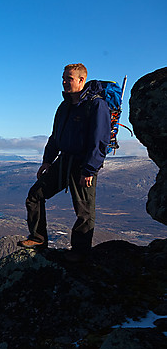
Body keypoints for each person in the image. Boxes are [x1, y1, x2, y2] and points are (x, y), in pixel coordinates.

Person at [18, 63, 112, 261]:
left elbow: (100, 141)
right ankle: (38, 238)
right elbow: (55, 136)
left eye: (68, 78)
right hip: (63, 160)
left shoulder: (97, 105)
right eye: (63, 78)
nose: (64, 82)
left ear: (81, 80)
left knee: (84, 211)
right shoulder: (64, 106)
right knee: (35, 195)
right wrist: (47, 161)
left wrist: (89, 169)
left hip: (83, 164)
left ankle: (80, 252)